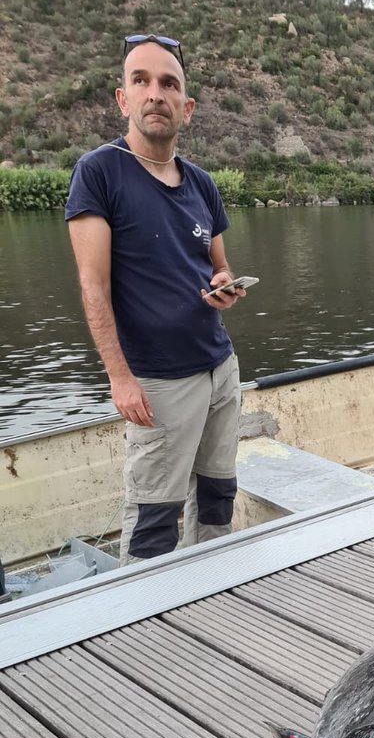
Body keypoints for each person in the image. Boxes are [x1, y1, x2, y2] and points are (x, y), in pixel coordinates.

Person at [65, 33, 246, 564]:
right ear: (123, 99)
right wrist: (120, 378)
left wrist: (224, 289)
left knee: (218, 497)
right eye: (140, 81)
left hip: (220, 369)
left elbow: (219, 267)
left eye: (169, 84)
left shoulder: (201, 183)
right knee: (153, 521)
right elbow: (93, 286)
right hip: (158, 383)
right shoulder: (99, 173)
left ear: (186, 108)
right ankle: (144, 634)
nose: (155, 94)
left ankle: (214, 593)